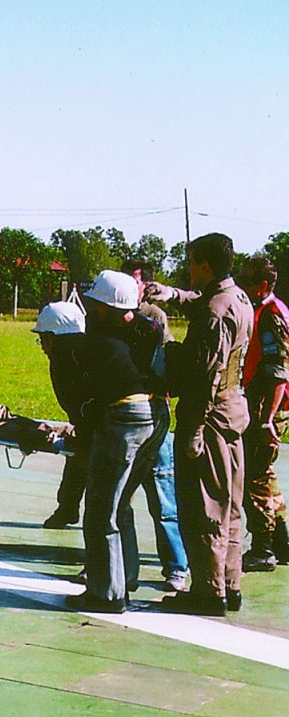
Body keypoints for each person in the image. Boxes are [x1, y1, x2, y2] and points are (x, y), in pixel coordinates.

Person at [145, 233, 253, 616]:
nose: (189, 269)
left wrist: (192, 430)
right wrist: (172, 294)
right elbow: (203, 302)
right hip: (233, 412)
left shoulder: (214, 312)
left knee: (203, 505)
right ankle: (228, 583)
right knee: (230, 506)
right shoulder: (238, 298)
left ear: (204, 265)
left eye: (191, 262)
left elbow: (205, 375)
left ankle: (208, 591)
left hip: (209, 418)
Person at [65, 270, 170, 614]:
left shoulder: (98, 341)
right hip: (158, 416)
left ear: (107, 307)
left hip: (125, 417)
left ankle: (106, 594)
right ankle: (125, 579)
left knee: (100, 511)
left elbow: (90, 391)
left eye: (97, 304)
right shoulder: (148, 329)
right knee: (121, 504)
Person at [120, 260, 190, 592]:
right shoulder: (110, 316)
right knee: (115, 498)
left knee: (163, 496)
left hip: (152, 412)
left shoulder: (154, 317)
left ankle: (176, 566)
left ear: (146, 285)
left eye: (134, 281)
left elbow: (164, 362)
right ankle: (116, 565)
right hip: (123, 416)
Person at [235, 255, 289, 572]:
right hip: (263, 403)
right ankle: (281, 542)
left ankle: (263, 548)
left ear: (263, 285)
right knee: (264, 475)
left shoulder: (271, 316)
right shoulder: (266, 310)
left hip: (266, 406)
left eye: (246, 281)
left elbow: (279, 373)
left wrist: (267, 419)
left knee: (252, 477)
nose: (241, 285)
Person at [33, 303, 92, 531]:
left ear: (53, 337)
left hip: (108, 426)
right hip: (91, 424)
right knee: (77, 456)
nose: (42, 346)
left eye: (43, 339)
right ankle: (67, 508)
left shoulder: (66, 361)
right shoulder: (75, 354)